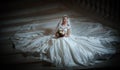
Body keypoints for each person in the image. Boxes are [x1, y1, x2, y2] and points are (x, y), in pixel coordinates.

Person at [11, 15, 118, 67]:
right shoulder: (60, 24)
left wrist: (64, 35)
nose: (65, 21)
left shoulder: (68, 25)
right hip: (59, 36)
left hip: (66, 37)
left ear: (68, 20)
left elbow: (69, 33)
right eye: (64, 19)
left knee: (67, 44)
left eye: (66, 20)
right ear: (62, 20)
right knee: (55, 42)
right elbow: (56, 32)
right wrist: (58, 35)